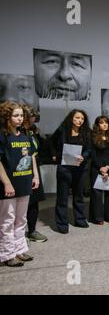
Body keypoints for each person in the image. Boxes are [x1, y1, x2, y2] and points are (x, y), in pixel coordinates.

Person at [0, 101, 40, 266]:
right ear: (6, 117)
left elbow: (31, 157)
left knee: (21, 219)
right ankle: (8, 254)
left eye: (21, 115)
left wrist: (35, 176)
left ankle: (20, 250)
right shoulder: (2, 136)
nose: (19, 118)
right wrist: (7, 183)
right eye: (15, 115)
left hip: (25, 183)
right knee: (7, 221)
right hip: (8, 185)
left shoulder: (26, 135)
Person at [50, 109, 91, 234]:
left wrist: (83, 156)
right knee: (62, 197)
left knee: (78, 196)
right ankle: (62, 224)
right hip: (64, 168)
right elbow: (51, 142)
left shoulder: (87, 132)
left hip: (80, 168)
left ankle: (79, 219)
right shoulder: (62, 130)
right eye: (77, 118)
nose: (80, 121)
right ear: (71, 118)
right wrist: (54, 155)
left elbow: (89, 149)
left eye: (82, 119)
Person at [22, 106, 47, 242]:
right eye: (31, 116)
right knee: (19, 203)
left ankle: (32, 230)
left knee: (34, 201)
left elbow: (36, 149)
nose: (33, 119)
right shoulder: (15, 133)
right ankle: (16, 234)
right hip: (20, 170)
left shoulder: (32, 131)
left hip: (34, 167)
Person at [89, 116, 109, 225]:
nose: (104, 124)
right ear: (97, 125)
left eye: (106, 122)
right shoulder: (93, 138)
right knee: (96, 194)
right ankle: (98, 217)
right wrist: (101, 167)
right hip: (96, 168)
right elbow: (93, 154)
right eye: (101, 123)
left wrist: (107, 167)